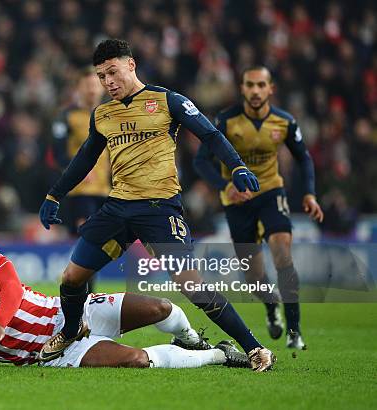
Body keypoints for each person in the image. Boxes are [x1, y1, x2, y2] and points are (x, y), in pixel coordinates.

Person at [37, 39, 275, 371]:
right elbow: (83, 160)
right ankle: (72, 329)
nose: (108, 82)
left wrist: (236, 166)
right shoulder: (103, 114)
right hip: (117, 208)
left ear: (131, 65)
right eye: (102, 76)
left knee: (191, 285)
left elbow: (210, 135)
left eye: (112, 72)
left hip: (159, 208)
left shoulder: (167, 100)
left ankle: (254, 348)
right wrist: (54, 194)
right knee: (72, 277)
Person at [0, 235, 250, 369]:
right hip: (54, 352)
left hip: (72, 313)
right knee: (138, 360)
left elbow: (11, 288)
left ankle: (189, 339)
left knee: (163, 308)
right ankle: (218, 355)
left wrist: (0, 322)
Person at [193, 66, 324, 349]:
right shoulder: (226, 121)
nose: (255, 91)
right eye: (250, 85)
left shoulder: (284, 122)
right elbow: (201, 161)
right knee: (253, 276)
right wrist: (225, 185)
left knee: (282, 253)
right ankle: (270, 303)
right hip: (238, 200)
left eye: (261, 85)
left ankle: (295, 332)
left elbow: (304, 158)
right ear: (242, 88)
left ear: (270, 89)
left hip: (270, 193)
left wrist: (310, 194)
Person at [51, 67, 111, 292]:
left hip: (106, 189)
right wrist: (79, 170)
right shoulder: (66, 116)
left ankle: (82, 287)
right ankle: (86, 292)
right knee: (88, 236)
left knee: (99, 239)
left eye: (96, 85)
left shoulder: (110, 113)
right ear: (79, 88)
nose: (92, 90)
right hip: (81, 191)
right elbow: (57, 154)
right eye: (88, 85)